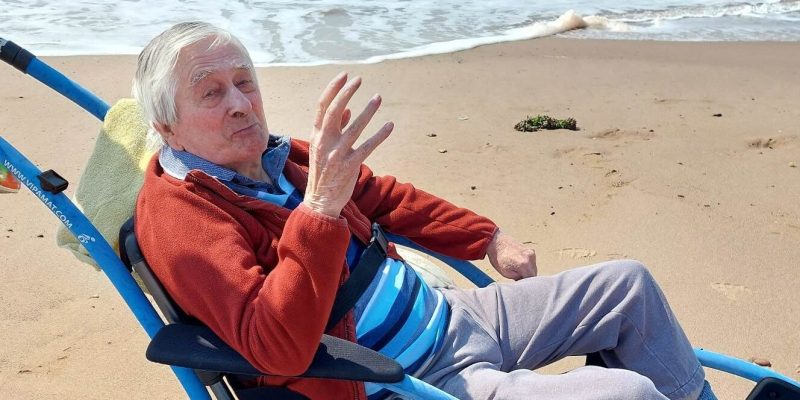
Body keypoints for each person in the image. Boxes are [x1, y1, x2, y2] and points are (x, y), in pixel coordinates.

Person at [132, 22, 716, 400]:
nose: (240, 104)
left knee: (627, 286)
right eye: (211, 93)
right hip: (403, 376)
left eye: (245, 82)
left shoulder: (281, 156)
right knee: (625, 394)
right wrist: (320, 210)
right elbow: (274, 345)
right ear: (165, 125)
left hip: (452, 316)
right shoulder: (181, 219)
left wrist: (487, 238)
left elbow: (384, 196)